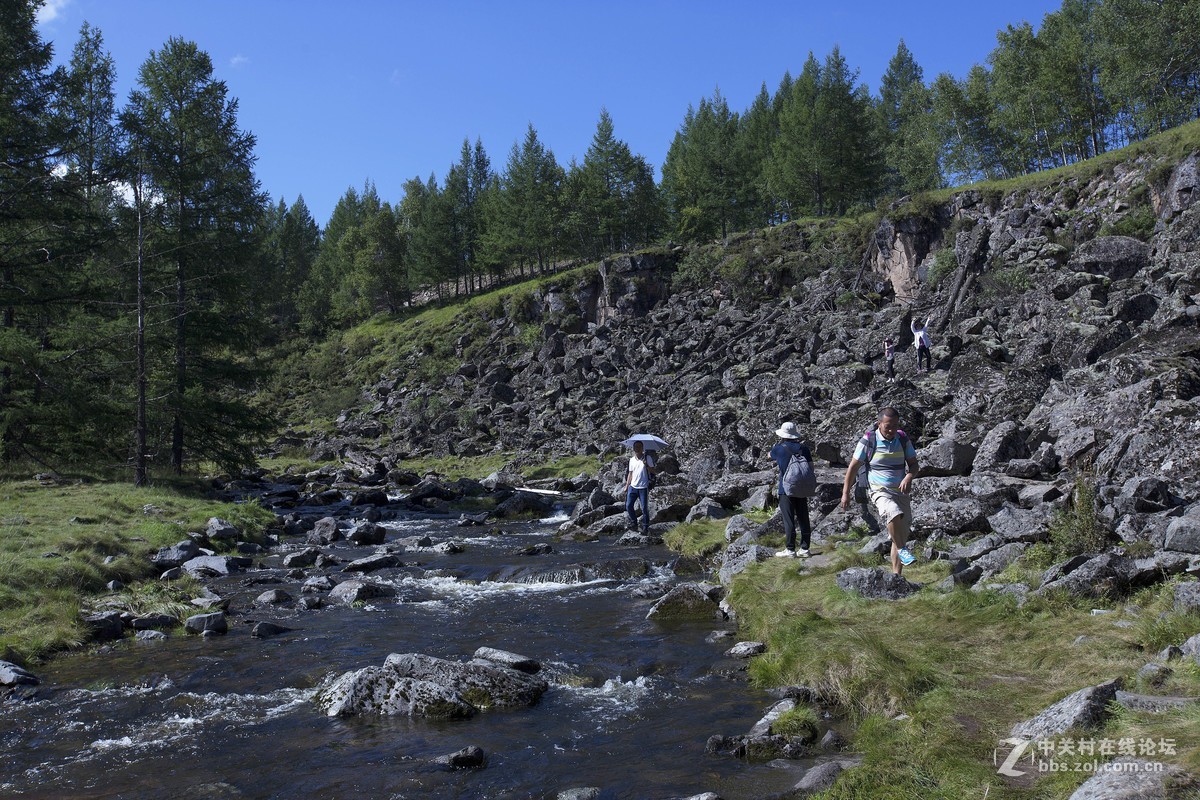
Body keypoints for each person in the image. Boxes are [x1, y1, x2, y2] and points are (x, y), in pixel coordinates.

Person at [839, 407, 919, 576]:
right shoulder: (869, 440)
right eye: (887, 426)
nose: (891, 430)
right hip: (879, 490)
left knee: (900, 534)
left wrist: (908, 477)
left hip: (901, 491)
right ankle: (902, 549)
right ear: (879, 423)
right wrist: (845, 493)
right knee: (893, 512)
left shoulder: (902, 438)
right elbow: (853, 468)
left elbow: (914, 464)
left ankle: (897, 576)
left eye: (895, 426)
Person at [769, 421, 814, 558]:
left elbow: (770, 456)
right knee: (803, 517)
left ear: (782, 434)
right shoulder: (804, 449)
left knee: (789, 518)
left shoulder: (779, 448)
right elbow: (811, 468)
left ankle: (790, 549)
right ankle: (805, 549)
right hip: (802, 487)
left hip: (786, 488)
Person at [623, 440, 656, 533]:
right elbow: (630, 473)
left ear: (642, 448)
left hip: (643, 487)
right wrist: (627, 485)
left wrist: (647, 465)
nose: (637, 448)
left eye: (639, 447)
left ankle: (645, 527)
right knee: (629, 506)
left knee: (644, 508)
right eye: (635, 447)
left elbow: (653, 471)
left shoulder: (647, 458)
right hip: (633, 487)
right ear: (633, 448)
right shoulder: (632, 460)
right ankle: (634, 522)